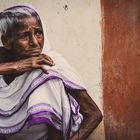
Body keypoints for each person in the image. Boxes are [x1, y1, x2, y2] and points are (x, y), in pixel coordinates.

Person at [0, 5, 102, 140]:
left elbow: (94, 113)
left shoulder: (51, 64)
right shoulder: (4, 58)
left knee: (46, 74)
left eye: (38, 33)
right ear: (6, 41)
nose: (35, 42)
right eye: (24, 36)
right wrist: (17, 66)